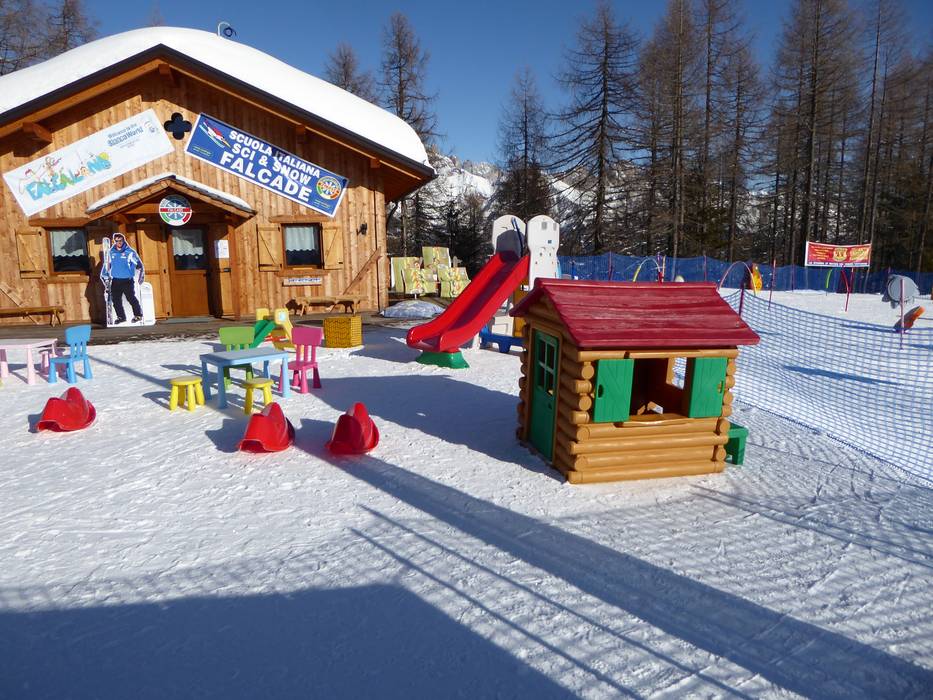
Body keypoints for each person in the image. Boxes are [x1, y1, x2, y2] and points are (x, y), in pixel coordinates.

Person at [103, 233, 144, 324]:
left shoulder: (130, 252)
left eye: (120, 241)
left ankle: (138, 315)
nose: (119, 243)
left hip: (127, 281)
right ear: (114, 241)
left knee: (131, 298)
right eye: (117, 241)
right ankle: (121, 317)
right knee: (116, 300)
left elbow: (139, 265)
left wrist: (140, 276)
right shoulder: (111, 252)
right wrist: (105, 276)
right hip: (116, 280)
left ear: (123, 240)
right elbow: (107, 265)